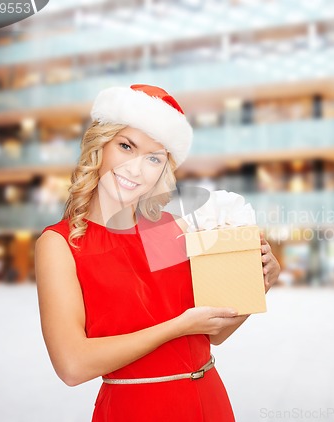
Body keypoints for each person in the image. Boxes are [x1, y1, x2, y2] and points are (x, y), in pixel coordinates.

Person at [35, 84, 281, 422]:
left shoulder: (173, 229)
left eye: (154, 158)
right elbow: (72, 365)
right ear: (99, 146)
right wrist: (177, 327)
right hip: (135, 409)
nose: (137, 169)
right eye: (126, 146)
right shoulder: (60, 244)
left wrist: (257, 281)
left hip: (210, 402)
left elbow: (216, 332)